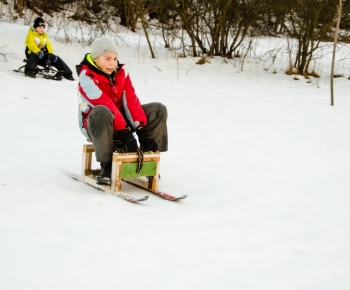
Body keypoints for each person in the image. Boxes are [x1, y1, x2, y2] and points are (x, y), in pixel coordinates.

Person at [76, 36, 168, 185]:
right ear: (95, 58)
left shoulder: (121, 73)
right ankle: (106, 167)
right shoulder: (86, 77)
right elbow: (106, 105)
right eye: (107, 58)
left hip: (120, 121)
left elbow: (131, 101)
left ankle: (149, 159)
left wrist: (142, 129)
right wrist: (125, 133)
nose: (112, 63)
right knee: (102, 111)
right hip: (95, 123)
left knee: (158, 110)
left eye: (114, 58)